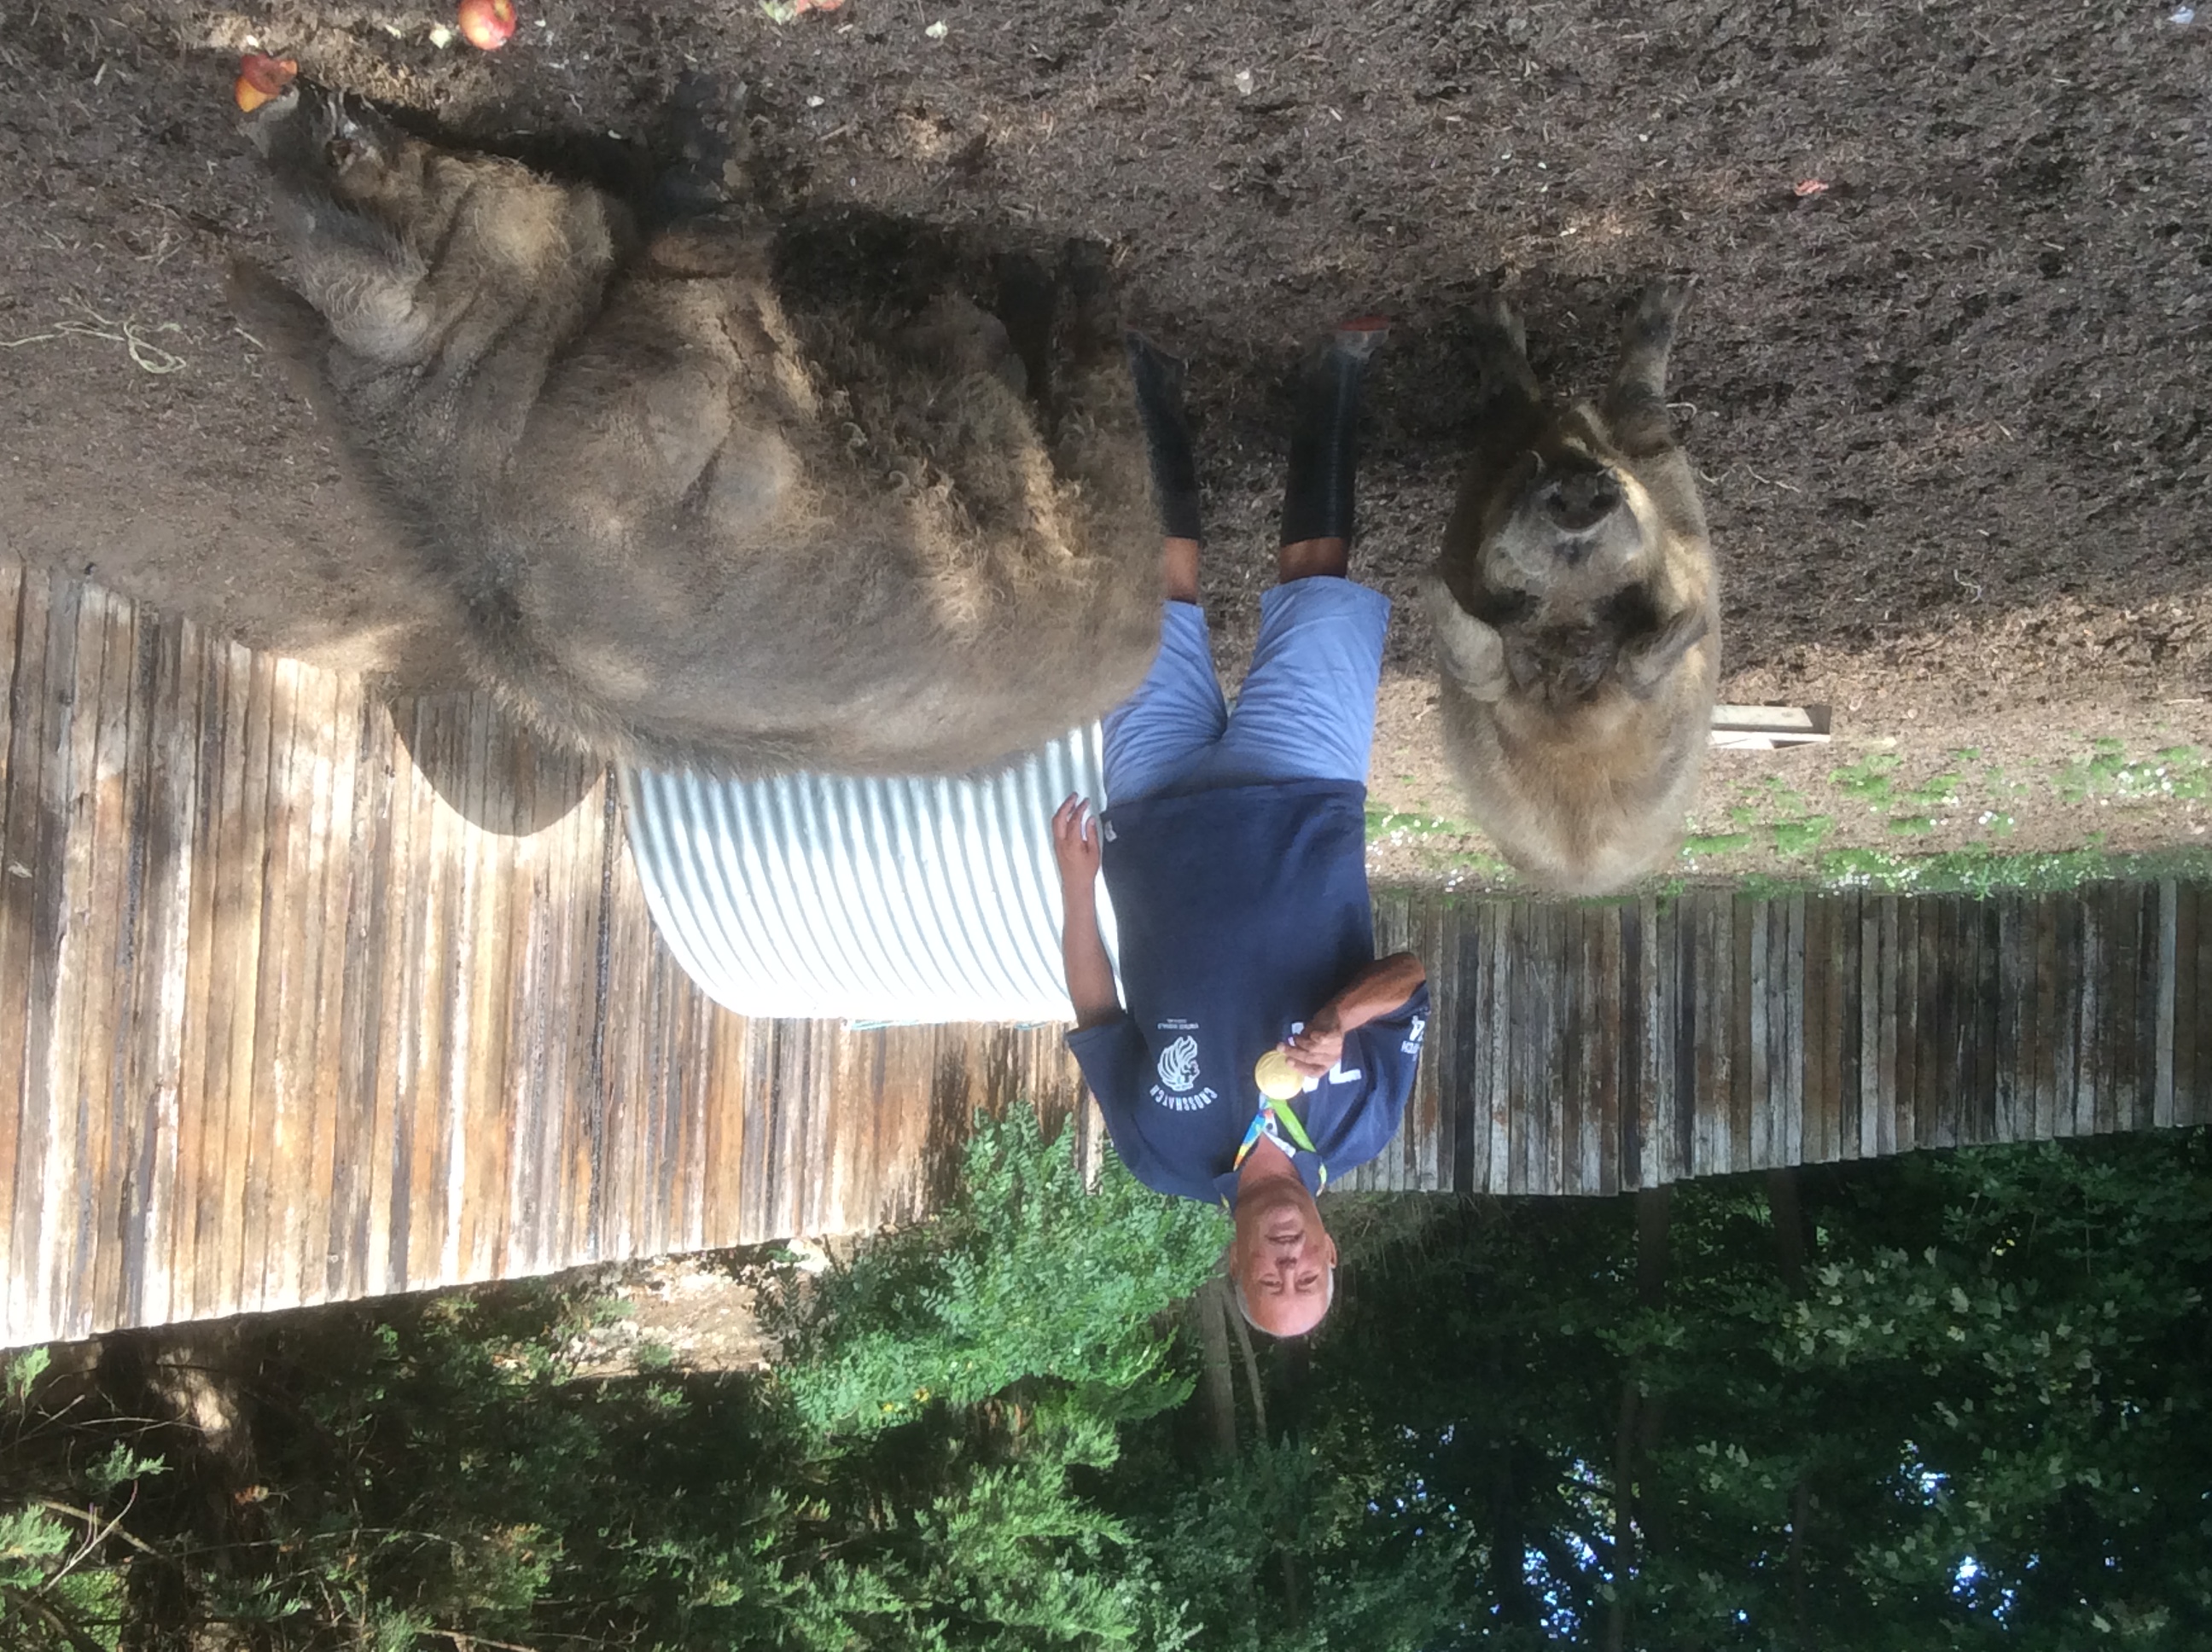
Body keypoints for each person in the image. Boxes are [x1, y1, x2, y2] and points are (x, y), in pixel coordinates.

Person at [1052, 322, 1430, 1340]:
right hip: (1302, 796)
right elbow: (1410, 974)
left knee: (1155, 594)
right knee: (1318, 573)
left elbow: (1095, 1004)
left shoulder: (1160, 1155)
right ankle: (1335, 372)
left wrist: (1076, 882)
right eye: (1311, 1279)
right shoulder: (1362, 1119)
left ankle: (1151, 378)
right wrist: (1338, 1024)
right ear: (1332, 1251)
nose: (1290, 1265)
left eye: (1273, 1284)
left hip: (1151, 807)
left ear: (1233, 1267)